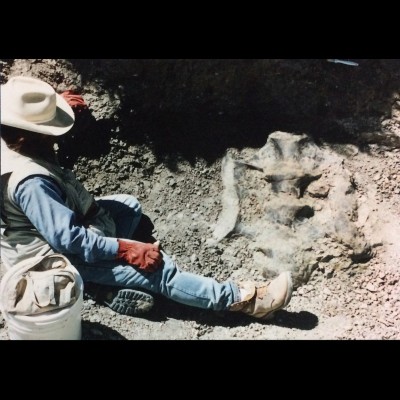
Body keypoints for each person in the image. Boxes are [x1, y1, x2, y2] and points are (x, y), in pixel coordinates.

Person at [0, 75, 293, 321]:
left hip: (51, 231)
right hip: (52, 260)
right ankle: (247, 300)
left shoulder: (10, 138)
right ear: (30, 134)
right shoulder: (32, 183)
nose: (55, 134)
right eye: (48, 128)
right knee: (158, 269)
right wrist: (128, 250)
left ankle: (100, 286)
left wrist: (56, 106)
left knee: (129, 207)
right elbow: (70, 240)